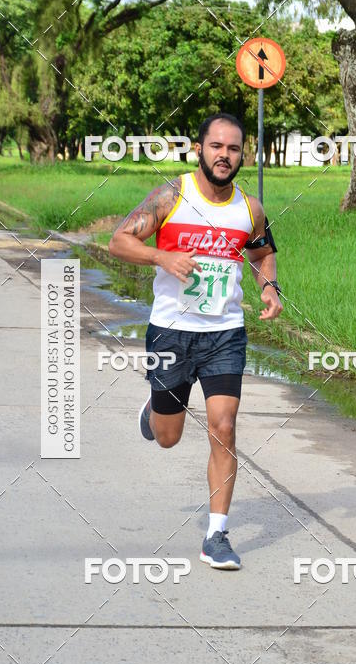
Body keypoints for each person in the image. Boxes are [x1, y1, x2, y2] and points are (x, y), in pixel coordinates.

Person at [109, 112, 283, 570]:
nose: (224, 156)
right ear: (200, 149)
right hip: (170, 331)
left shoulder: (250, 209)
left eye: (233, 149)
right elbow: (119, 241)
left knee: (223, 428)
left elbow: (263, 254)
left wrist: (269, 287)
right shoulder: (172, 196)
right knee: (168, 437)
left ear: (243, 155)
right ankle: (153, 411)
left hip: (224, 334)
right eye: (216, 147)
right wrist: (160, 255)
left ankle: (216, 535)